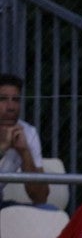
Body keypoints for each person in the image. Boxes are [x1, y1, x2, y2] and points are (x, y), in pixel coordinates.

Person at [0, 73, 50, 206]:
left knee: (47, 210)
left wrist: (24, 152)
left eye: (15, 100)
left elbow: (40, 197)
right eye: (3, 99)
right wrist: (2, 148)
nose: (11, 107)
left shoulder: (28, 132)